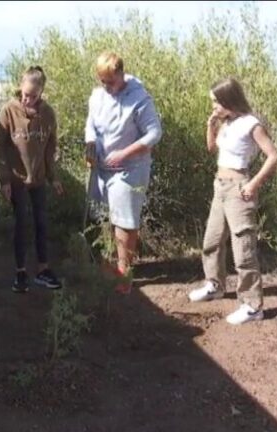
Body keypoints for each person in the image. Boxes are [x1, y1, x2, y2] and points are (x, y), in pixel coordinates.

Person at [187, 77, 277, 325]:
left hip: (239, 189)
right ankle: (214, 285)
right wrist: (211, 125)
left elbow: (273, 156)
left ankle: (252, 306)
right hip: (220, 186)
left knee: (244, 250)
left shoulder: (251, 124)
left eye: (216, 102)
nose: (214, 106)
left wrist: (253, 184)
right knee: (212, 240)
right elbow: (211, 149)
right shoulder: (227, 122)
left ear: (230, 100)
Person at [84, 52, 163, 294]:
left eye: (110, 81)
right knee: (101, 216)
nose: (106, 86)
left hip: (130, 168)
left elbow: (154, 133)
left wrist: (125, 153)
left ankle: (124, 272)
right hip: (101, 167)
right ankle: (108, 265)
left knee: (125, 221)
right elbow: (91, 123)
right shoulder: (98, 96)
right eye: (102, 81)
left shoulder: (139, 99)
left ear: (120, 74)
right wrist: (89, 143)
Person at [0, 66, 64, 293]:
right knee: (21, 223)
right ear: (20, 88)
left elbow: (50, 149)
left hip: (39, 179)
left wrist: (53, 177)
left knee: (42, 222)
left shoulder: (48, 114)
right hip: (17, 180)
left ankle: (43, 269)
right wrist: (4, 179)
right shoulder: (9, 112)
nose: (27, 100)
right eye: (25, 95)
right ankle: (20, 272)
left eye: (33, 96)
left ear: (41, 92)